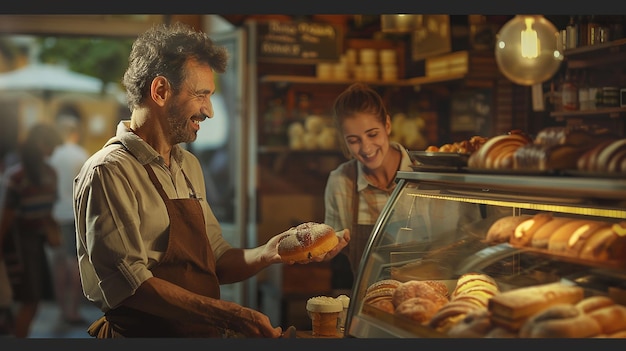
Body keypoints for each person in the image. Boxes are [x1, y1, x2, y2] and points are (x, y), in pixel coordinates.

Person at [73, 22, 349, 338]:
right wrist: (228, 314)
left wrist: (272, 251)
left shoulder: (188, 165)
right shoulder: (108, 172)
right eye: (201, 94)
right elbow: (131, 286)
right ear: (160, 91)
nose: (209, 111)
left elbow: (216, 258)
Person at [324, 82, 414, 282]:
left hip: (426, 299)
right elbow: (332, 247)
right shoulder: (340, 183)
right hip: (367, 302)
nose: (366, 147)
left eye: (373, 134)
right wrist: (327, 249)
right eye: (354, 140)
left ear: (387, 125)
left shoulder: (422, 175)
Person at [0, 122, 63, 338]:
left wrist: (53, 233)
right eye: (51, 145)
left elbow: (45, 214)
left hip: (33, 244)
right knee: (28, 301)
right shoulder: (17, 177)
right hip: (18, 246)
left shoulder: (44, 174)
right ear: (40, 144)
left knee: (30, 301)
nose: (53, 151)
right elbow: (6, 221)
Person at [48, 117, 89, 325]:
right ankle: (73, 309)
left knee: (58, 262)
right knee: (75, 262)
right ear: (75, 133)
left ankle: (62, 309)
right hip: (74, 213)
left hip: (54, 214)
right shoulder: (81, 155)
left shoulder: (52, 155)